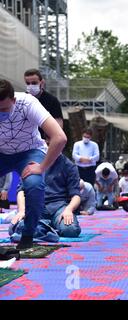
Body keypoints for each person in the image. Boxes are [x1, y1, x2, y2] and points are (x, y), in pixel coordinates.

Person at [0, 79, 67, 249]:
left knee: (34, 184)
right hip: (1, 152)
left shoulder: (27, 102)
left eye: (4, 109)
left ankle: (28, 234)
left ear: (13, 100)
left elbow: (59, 137)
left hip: (29, 151)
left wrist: (42, 166)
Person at [10, 152, 82, 239]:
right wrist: (22, 210)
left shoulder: (69, 165)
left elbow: (76, 195)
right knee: (13, 228)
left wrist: (69, 209)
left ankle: (42, 228)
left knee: (70, 230)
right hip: (35, 206)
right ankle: (49, 229)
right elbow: (21, 190)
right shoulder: (32, 163)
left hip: (59, 207)